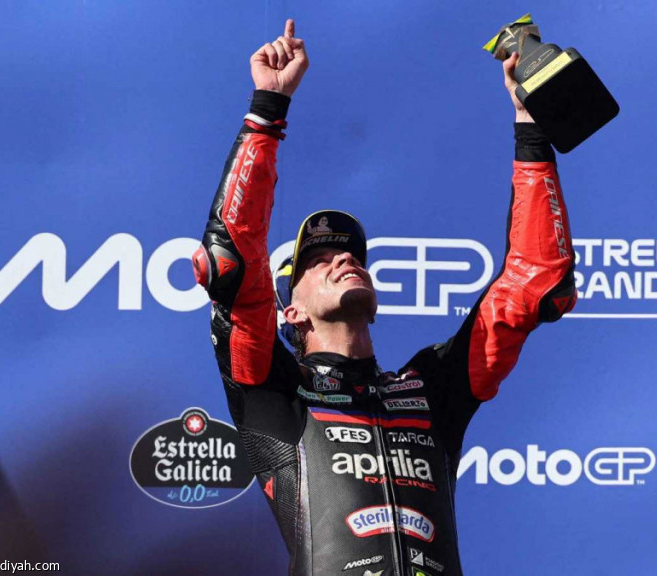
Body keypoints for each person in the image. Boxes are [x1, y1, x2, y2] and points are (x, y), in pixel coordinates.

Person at [192, 18, 577, 576]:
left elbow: (535, 280)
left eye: (352, 255)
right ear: (290, 310)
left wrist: (531, 128)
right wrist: (268, 109)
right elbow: (231, 260)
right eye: (319, 261)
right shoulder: (273, 391)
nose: (344, 260)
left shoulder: (432, 386)